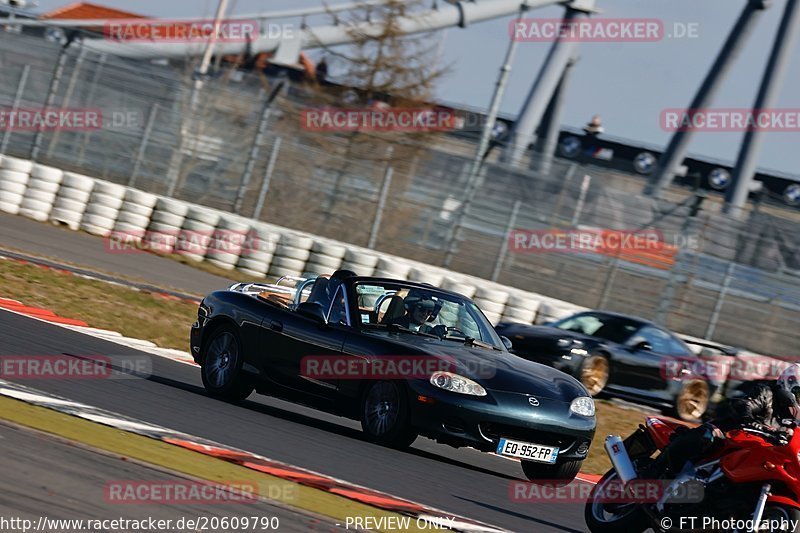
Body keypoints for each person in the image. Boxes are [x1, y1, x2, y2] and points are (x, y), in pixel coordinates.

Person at [646, 363, 800, 478]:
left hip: (754, 452)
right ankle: (653, 474)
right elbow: (744, 404)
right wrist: (751, 421)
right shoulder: (766, 392)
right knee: (708, 435)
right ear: (789, 385)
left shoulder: (791, 421)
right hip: (728, 434)